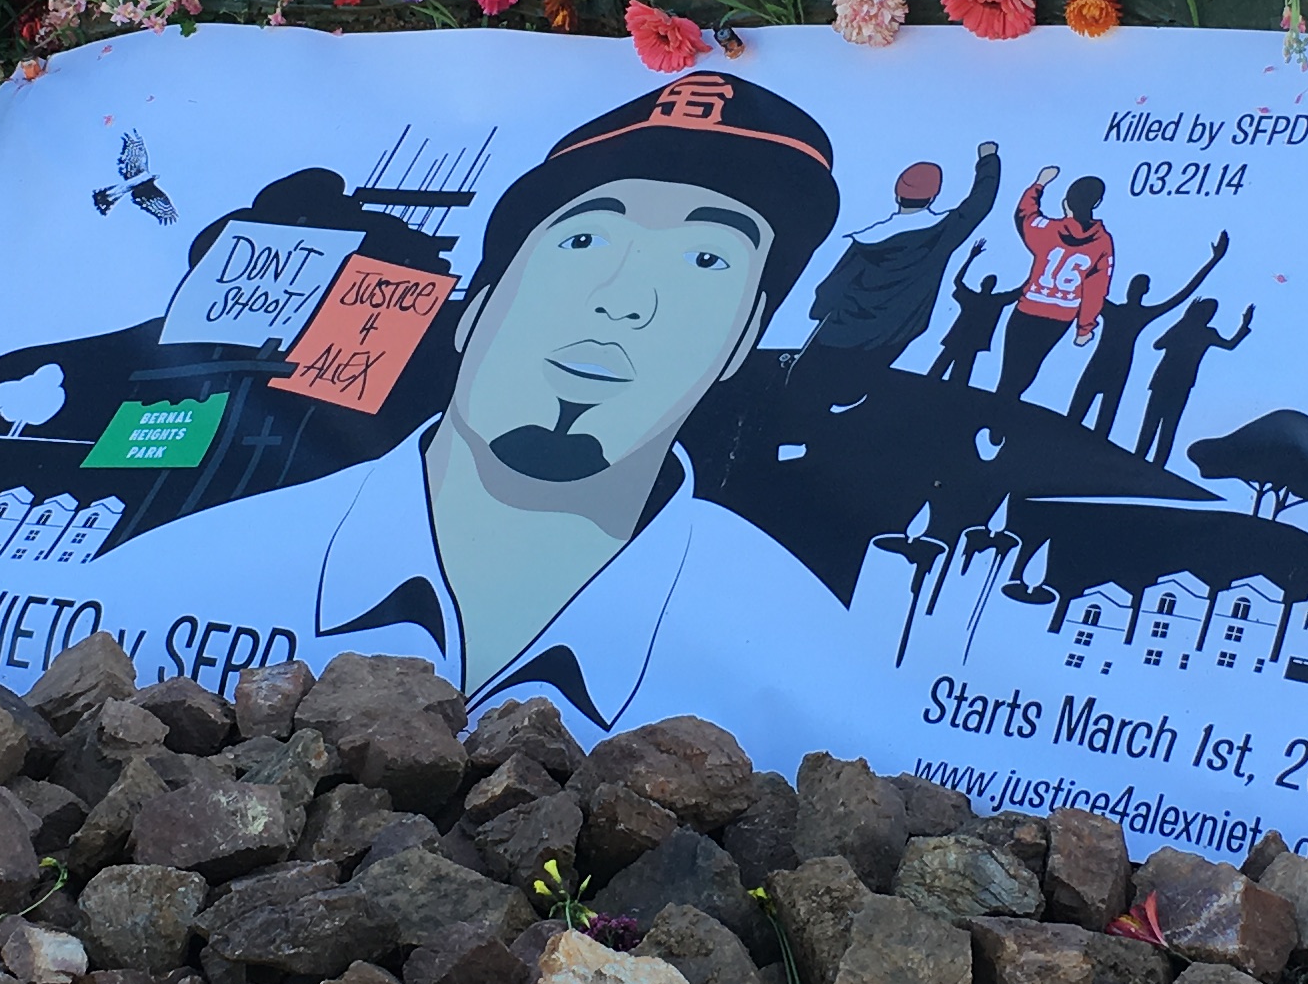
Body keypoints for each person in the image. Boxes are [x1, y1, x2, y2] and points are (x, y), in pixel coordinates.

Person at [75, 73, 854, 727]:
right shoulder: (187, 567)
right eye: (584, 241)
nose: (623, 300)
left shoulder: (802, 639)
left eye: (706, 260)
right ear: (478, 305)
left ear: (743, 341)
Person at [796, 140, 1004, 398]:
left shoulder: (866, 241)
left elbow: (832, 286)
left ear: (897, 196)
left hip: (843, 328)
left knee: (811, 388)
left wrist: (820, 310)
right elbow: (979, 204)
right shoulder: (943, 232)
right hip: (898, 330)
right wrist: (988, 159)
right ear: (932, 197)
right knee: (856, 388)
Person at [1063, 231, 1231, 439]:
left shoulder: (1139, 314)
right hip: (1102, 362)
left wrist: (1214, 260)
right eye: (1134, 286)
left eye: (1138, 287)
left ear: (1145, 291)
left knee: (1103, 425)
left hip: (1118, 366)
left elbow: (1183, 294)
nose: (1134, 290)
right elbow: (1085, 282)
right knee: (1074, 418)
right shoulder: (1115, 311)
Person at [995, 168, 1115, 404]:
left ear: (1065, 202)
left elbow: (1025, 214)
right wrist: (1084, 328)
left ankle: (997, 406)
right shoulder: (1103, 242)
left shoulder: (1048, 229)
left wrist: (1039, 184)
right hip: (1061, 316)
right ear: (1097, 203)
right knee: (1030, 366)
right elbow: (1096, 289)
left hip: (1029, 308)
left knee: (1010, 367)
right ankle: (1005, 406)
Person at [1133, 294, 1255, 467]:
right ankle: (1144, 459)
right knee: (1159, 423)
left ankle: (1151, 462)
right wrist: (1183, 321)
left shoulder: (1203, 332)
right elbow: (1158, 344)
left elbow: (1229, 345)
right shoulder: (1193, 330)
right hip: (1169, 380)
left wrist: (1244, 325)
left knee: (1164, 424)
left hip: (1176, 382)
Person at [925, 255, 1020, 392]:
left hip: (968, 340)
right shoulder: (986, 300)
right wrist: (970, 257)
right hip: (962, 339)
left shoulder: (990, 301)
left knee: (957, 377)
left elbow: (1018, 292)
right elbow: (957, 281)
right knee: (942, 373)